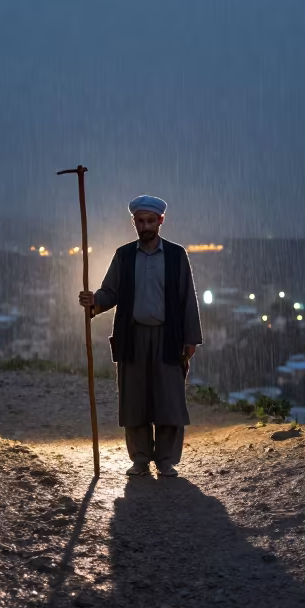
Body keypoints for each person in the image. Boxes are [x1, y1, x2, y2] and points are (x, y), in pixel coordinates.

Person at [78, 195, 202, 477]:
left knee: (168, 398)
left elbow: (187, 298)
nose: (145, 227)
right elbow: (111, 292)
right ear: (133, 222)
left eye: (150, 221)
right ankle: (140, 459)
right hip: (132, 337)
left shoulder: (176, 255)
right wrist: (94, 300)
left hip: (168, 337)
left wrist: (190, 338)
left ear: (161, 221)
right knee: (135, 398)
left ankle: (167, 460)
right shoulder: (123, 256)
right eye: (140, 221)